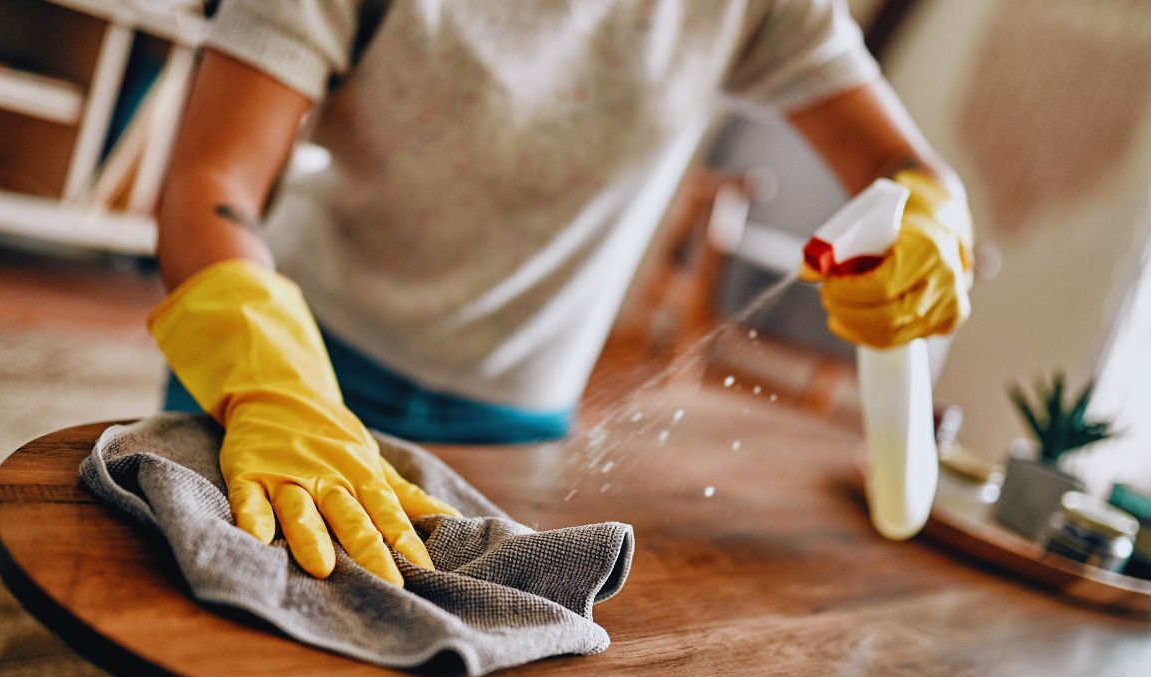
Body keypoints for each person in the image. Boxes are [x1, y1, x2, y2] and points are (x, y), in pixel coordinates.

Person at [151, 0, 973, 585]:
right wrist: (276, 388)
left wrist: (933, 219)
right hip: (275, 372)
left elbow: (905, 169)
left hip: (512, 427)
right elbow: (211, 177)